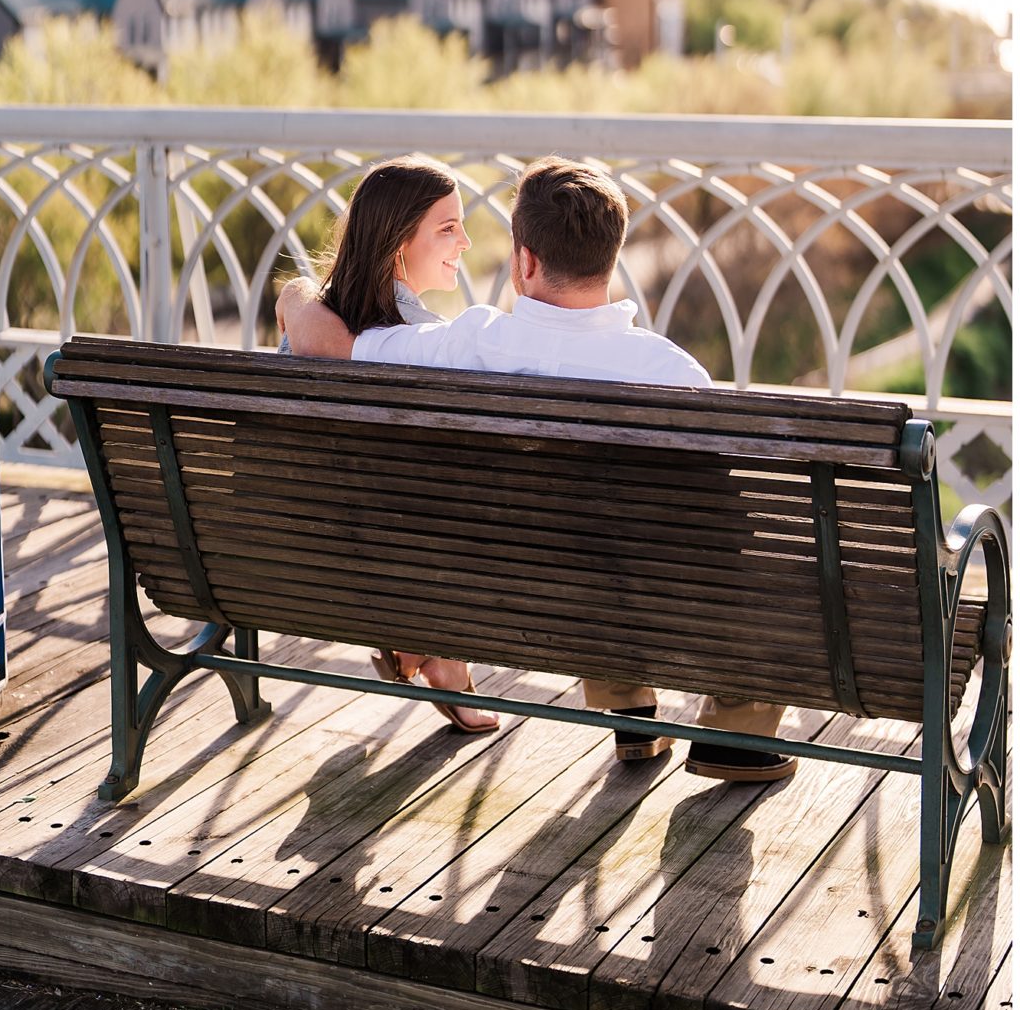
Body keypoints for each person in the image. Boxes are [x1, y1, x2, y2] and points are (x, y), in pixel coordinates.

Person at [278, 156, 794, 782]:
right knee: (712, 542)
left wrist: (296, 295)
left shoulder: (463, 345)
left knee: (590, 541)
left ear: (523, 262)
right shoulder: (675, 374)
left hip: (533, 594)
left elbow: (334, 345)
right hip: (645, 595)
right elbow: (723, 530)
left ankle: (632, 710)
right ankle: (735, 735)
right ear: (611, 256)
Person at [279, 156, 499, 737]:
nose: (466, 240)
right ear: (399, 245)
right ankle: (438, 656)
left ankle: (418, 647)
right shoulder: (418, 343)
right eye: (447, 227)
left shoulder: (313, 323)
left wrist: (294, 296)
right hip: (380, 562)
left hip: (273, 553)